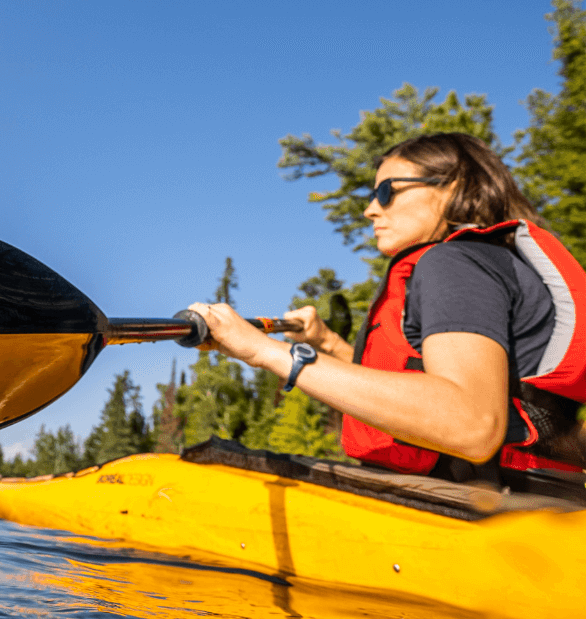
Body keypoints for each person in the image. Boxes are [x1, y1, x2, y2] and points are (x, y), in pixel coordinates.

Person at [189, 132, 586, 480]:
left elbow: (472, 424)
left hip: (484, 509)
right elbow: (421, 391)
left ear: (453, 187)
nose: (371, 209)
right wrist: (327, 343)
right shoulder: (491, 262)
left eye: (386, 192)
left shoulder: (453, 264)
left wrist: (265, 350)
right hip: (537, 497)